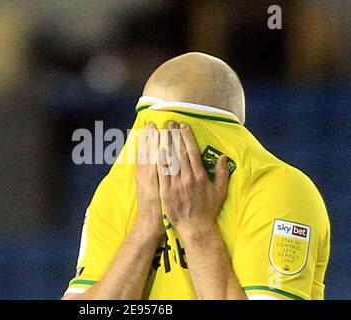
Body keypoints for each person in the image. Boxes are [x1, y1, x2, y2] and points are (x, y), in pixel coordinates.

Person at [62, 52, 330, 300]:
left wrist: (197, 229)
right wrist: (144, 228)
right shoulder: (119, 190)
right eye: (147, 130)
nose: (161, 149)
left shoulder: (279, 191)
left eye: (180, 132)